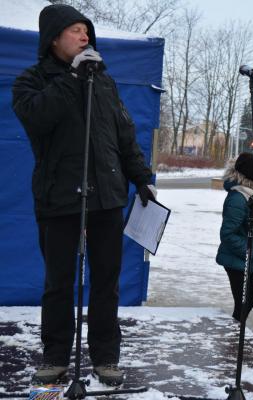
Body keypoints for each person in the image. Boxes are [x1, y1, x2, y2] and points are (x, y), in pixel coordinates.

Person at [11, 4, 156, 386]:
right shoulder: (33, 80)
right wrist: (72, 79)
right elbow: (38, 118)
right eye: (75, 30)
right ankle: (56, 356)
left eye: (86, 30)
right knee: (59, 282)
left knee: (106, 281)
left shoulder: (103, 81)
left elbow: (124, 135)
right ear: (54, 38)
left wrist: (141, 177)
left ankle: (106, 357)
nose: (84, 36)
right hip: (59, 197)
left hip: (107, 196)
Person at [216, 152, 253, 323]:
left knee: (247, 303)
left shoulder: (252, 194)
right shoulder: (238, 198)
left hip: (244, 259)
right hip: (237, 259)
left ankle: (235, 336)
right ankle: (234, 340)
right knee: (244, 304)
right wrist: (249, 252)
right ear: (252, 173)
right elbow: (227, 234)